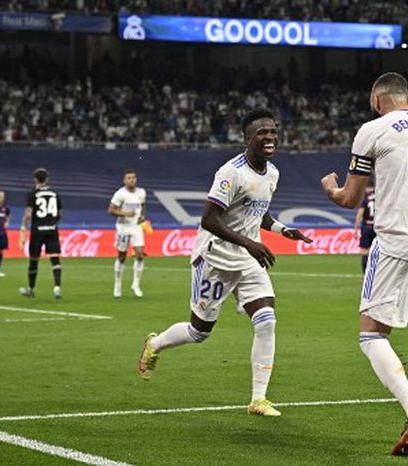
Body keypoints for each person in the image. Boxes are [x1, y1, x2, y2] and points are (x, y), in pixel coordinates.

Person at [137, 109, 312, 417]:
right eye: (262, 133)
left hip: (246, 258)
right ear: (247, 139)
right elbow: (208, 219)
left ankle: (258, 399)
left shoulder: (272, 173)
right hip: (216, 255)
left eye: (273, 131)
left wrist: (283, 230)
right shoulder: (231, 173)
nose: (270, 137)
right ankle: (155, 344)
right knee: (199, 331)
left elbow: (259, 213)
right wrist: (251, 243)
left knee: (267, 319)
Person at [321, 72, 408, 456]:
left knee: (371, 336)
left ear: (375, 100)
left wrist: (329, 187)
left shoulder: (373, 129)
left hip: (398, 241)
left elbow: (350, 199)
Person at [19, 168, 63, 299]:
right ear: (47, 179)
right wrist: (52, 222)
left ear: (35, 179)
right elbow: (60, 214)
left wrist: (23, 229)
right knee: (55, 259)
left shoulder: (32, 194)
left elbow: (28, 214)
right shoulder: (55, 193)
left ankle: (31, 290)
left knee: (34, 260)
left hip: (37, 230)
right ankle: (57, 289)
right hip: (52, 229)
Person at [109, 170, 147, 298]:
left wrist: (142, 215)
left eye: (133, 177)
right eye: (129, 178)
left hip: (136, 226)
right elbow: (111, 210)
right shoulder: (120, 194)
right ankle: (118, 284)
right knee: (121, 256)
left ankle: (136, 284)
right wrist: (125, 214)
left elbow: (142, 205)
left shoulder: (141, 193)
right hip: (123, 228)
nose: (132, 180)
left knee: (140, 255)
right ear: (124, 180)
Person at [353, 178, 376, 272]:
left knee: (364, 251)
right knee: (379, 252)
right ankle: (376, 274)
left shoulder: (365, 197)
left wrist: (355, 228)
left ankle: (365, 275)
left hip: (367, 227)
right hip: (378, 227)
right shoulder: (380, 196)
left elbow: (360, 213)